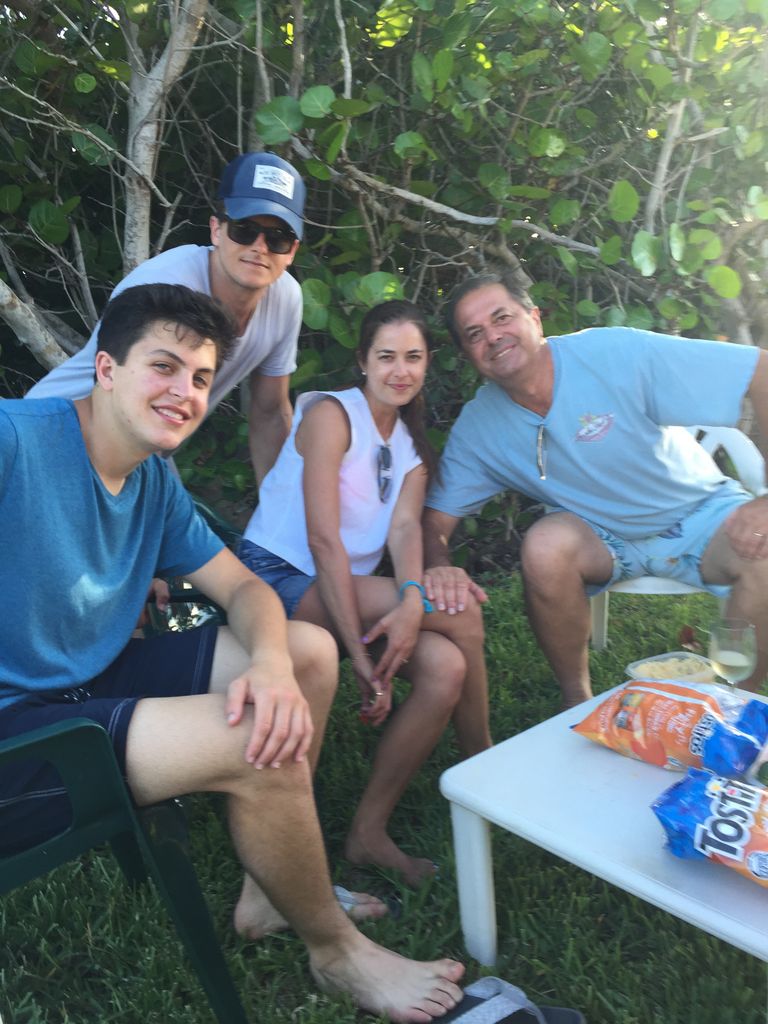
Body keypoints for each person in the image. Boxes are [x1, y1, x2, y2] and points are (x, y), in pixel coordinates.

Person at [0, 283, 465, 1022]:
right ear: (106, 370)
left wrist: (272, 667)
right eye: (163, 366)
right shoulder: (16, 440)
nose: (182, 392)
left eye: (200, 377)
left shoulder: (152, 479)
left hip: (88, 677)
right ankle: (337, 952)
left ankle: (267, 891)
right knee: (257, 743)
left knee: (306, 652)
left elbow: (247, 589)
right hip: (17, 731)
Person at [422, 269, 768, 709]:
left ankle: (735, 709)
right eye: (475, 333)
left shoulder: (615, 353)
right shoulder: (479, 428)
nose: (493, 336)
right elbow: (435, 520)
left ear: (534, 318)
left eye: (502, 317)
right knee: (544, 546)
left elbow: (761, 370)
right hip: (602, 536)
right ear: (468, 354)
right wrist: (439, 564)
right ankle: (577, 703)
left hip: (699, 514)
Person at [238, 300, 491, 886]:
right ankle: (486, 767)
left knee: (447, 668)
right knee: (462, 618)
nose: (400, 371)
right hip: (276, 576)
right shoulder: (332, 414)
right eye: (386, 357)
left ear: (427, 363)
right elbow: (323, 541)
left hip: (339, 591)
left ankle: (367, 833)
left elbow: (404, 531)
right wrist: (360, 657)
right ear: (362, 361)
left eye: (413, 357)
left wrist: (411, 599)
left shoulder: (410, 445)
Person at [26, 151, 305, 485]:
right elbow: (115, 399)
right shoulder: (164, 285)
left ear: (292, 251)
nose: (259, 247)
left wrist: (280, 513)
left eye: (277, 238)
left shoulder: (286, 300)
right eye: (244, 229)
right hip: (59, 433)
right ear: (216, 230)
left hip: (140, 452)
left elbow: (270, 413)